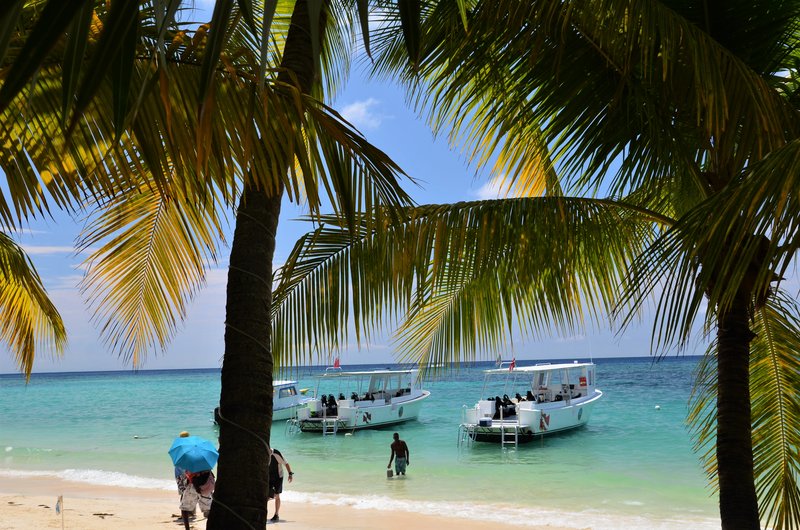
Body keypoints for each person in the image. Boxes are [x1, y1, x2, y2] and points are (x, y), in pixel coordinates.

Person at [267, 448, 293, 523]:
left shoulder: (276, 453)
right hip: (269, 477)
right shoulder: (264, 454)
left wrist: (290, 474)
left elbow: (286, 463)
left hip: (278, 477)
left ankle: (276, 515)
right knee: (266, 496)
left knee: (277, 496)